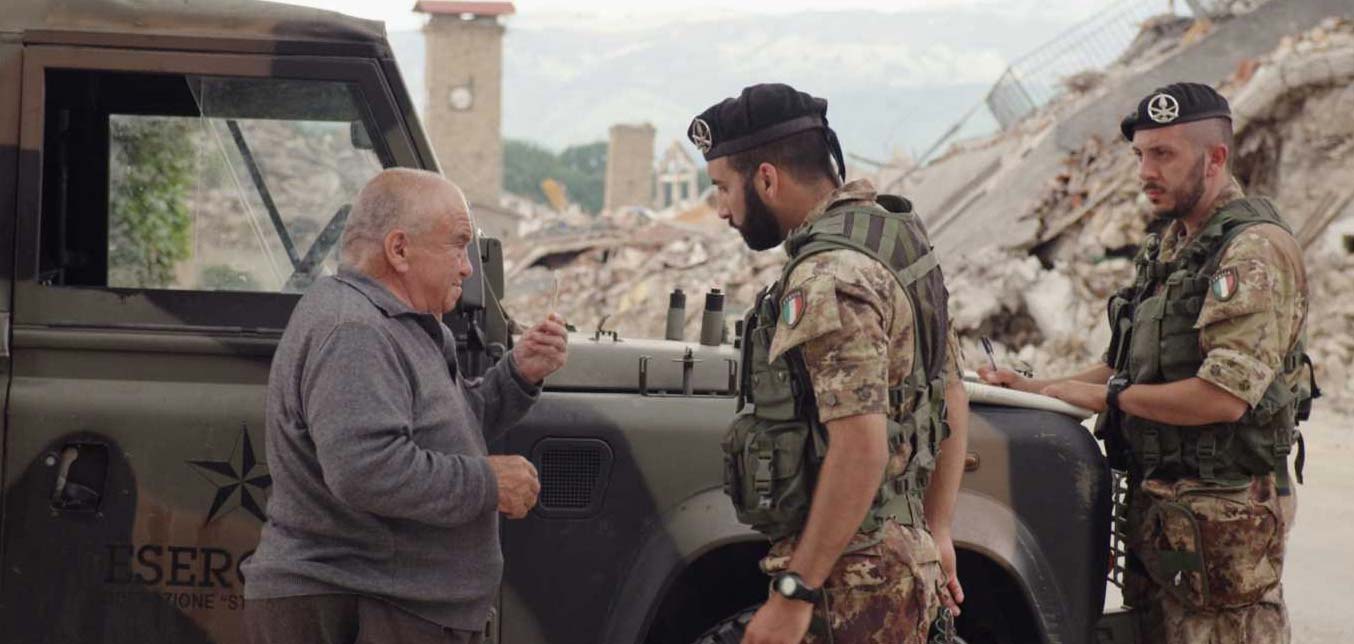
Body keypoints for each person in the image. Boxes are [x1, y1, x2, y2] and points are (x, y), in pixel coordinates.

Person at [980, 82, 1312, 643]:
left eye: (1163, 154)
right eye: (1140, 155)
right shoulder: (1172, 248)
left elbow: (1223, 397)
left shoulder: (1252, 251)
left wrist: (1108, 399)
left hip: (1222, 526)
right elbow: (1122, 367)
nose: (1144, 172)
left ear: (1214, 159)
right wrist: (1039, 387)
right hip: (1163, 522)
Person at [690, 83, 968, 644]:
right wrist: (935, 529)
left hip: (853, 579)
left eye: (723, 187)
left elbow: (860, 446)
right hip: (899, 557)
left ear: (766, 178)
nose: (720, 208)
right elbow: (951, 393)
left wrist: (797, 592)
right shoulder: (895, 244)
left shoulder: (828, 278)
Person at [241, 168, 569, 644]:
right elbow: (366, 469)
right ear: (399, 250)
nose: (467, 268)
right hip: (361, 605)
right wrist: (488, 482)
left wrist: (519, 373)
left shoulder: (394, 322)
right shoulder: (354, 330)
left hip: (388, 603)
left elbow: (447, 432)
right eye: (458, 245)